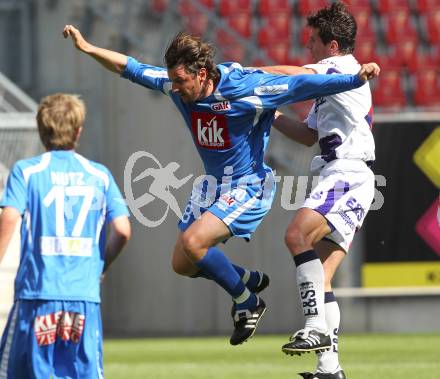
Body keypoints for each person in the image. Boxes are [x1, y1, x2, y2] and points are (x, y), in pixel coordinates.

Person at [63, 25, 379, 346]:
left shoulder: (246, 88)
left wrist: (354, 79)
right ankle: (244, 279)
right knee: (182, 264)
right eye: (173, 80)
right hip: (212, 185)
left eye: (181, 81)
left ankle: (247, 301)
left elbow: (302, 83)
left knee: (194, 241)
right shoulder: (175, 86)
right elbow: (129, 67)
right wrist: (88, 48)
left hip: (248, 185)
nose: (175, 88)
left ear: (202, 74)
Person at [261, 2, 376, 378]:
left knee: (296, 235)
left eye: (312, 42)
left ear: (330, 46)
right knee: (321, 276)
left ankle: (314, 329)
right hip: (347, 176)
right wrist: (271, 115)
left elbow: (294, 76)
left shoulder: (339, 68)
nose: (306, 48)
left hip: (345, 173)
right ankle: (330, 369)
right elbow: (308, 134)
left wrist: (248, 75)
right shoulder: (334, 84)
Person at [0, 93, 131, 378]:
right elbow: (122, 230)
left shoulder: (28, 171)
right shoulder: (99, 175)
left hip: (38, 296)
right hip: (83, 299)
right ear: (78, 131)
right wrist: (101, 265)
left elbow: (10, 216)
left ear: (41, 129)